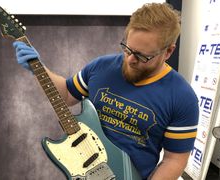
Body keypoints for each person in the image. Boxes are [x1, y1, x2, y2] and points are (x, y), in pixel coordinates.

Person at [13, 2, 199, 180]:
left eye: (142, 56)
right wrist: (39, 68)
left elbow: (174, 160)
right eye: (128, 49)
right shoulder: (101, 67)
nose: (130, 60)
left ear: (168, 52)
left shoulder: (182, 97)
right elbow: (69, 95)